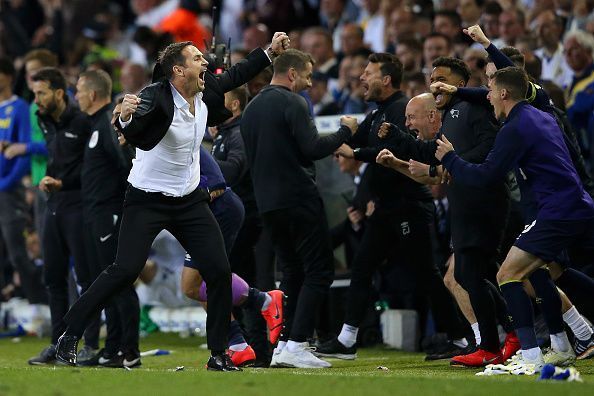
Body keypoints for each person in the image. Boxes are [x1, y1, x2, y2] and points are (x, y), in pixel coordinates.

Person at [55, 32, 290, 372]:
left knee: (220, 272)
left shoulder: (205, 91)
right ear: (179, 71)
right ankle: (69, 334)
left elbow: (238, 74)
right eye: (197, 58)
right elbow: (133, 133)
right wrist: (125, 116)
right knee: (124, 270)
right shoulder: (156, 96)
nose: (205, 61)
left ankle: (219, 354)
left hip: (189, 199)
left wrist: (269, 52)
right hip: (147, 199)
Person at [435, 66, 594, 371]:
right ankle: (567, 343)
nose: (489, 97)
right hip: (573, 205)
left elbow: (485, 177)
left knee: (508, 274)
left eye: (491, 91)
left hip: (557, 210)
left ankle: (532, 359)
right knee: (542, 273)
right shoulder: (542, 112)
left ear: (504, 93)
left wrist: (450, 158)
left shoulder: (515, 127)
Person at [320, 54, 467, 361]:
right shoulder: (376, 114)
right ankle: (347, 340)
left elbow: (394, 150)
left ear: (386, 79)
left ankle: (461, 339)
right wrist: (344, 134)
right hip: (386, 208)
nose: (361, 77)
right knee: (362, 267)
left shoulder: (401, 109)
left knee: (426, 274)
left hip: (409, 206)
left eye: (368, 72)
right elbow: (355, 144)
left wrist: (354, 149)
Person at [241, 48, 358, 368]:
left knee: (291, 272)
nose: (308, 82)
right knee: (319, 270)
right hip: (298, 198)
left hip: (268, 205)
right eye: (306, 75)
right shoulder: (293, 102)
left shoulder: (251, 108)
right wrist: (346, 129)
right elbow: (313, 147)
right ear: (291, 73)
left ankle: (282, 345)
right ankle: (297, 343)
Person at [26, 67, 97, 365]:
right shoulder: (44, 120)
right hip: (53, 204)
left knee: (86, 278)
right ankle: (58, 345)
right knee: (53, 277)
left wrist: (63, 183)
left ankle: (90, 345)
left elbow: (91, 170)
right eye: (34, 94)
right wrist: (49, 180)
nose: (36, 100)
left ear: (58, 93)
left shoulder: (82, 122)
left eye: (41, 93)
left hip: (79, 204)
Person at [74, 70, 140, 367]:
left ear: (92, 94)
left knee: (118, 283)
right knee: (107, 283)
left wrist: (120, 208)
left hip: (109, 214)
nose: (76, 95)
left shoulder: (107, 124)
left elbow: (127, 164)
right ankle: (113, 347)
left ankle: (129, 350)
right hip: (95, 214)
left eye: (78, 90)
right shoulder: (94, 125)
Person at [0, 57, 45, 306]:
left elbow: (24, 153)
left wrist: (6, 183)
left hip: (9, 190)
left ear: (7, 76)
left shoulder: (18, 107)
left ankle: (38, 304)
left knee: (17, 252)